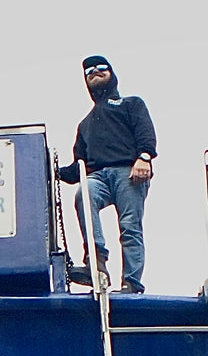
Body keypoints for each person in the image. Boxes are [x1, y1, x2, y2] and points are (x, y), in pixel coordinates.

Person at [58, 56, 157, 294]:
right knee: (84, 194)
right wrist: (51, 169)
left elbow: (145, 132)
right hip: (97, 176)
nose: (94, 72)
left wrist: (144, 157)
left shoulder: (130, 104)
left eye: (101, 68)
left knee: (130, 226)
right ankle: (96, 261)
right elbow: (77, 168)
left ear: (112, 73)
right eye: (89, 71)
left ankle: (131, 282)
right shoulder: (85, 124)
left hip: (128, 171)